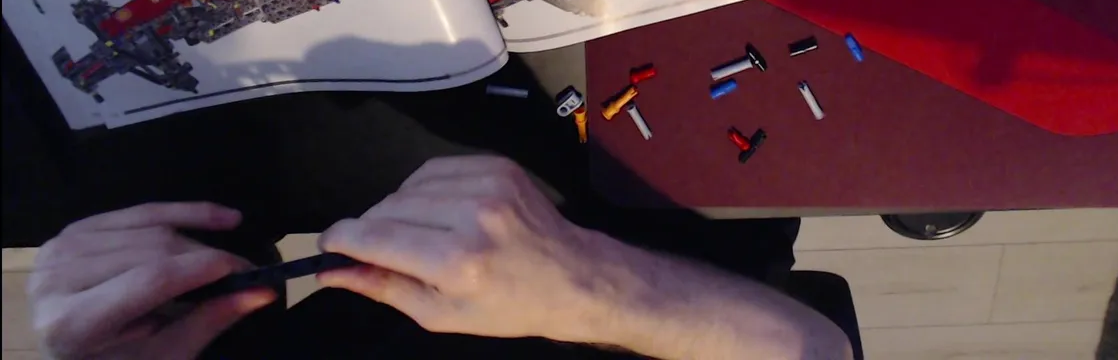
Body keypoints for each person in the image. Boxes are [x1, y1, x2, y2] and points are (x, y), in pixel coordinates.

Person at [26, 155, 858, 359]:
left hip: (353, 174)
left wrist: (107, 303)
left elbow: (211, 268)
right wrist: (598, 285)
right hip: (675, 204)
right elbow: (816, 350)